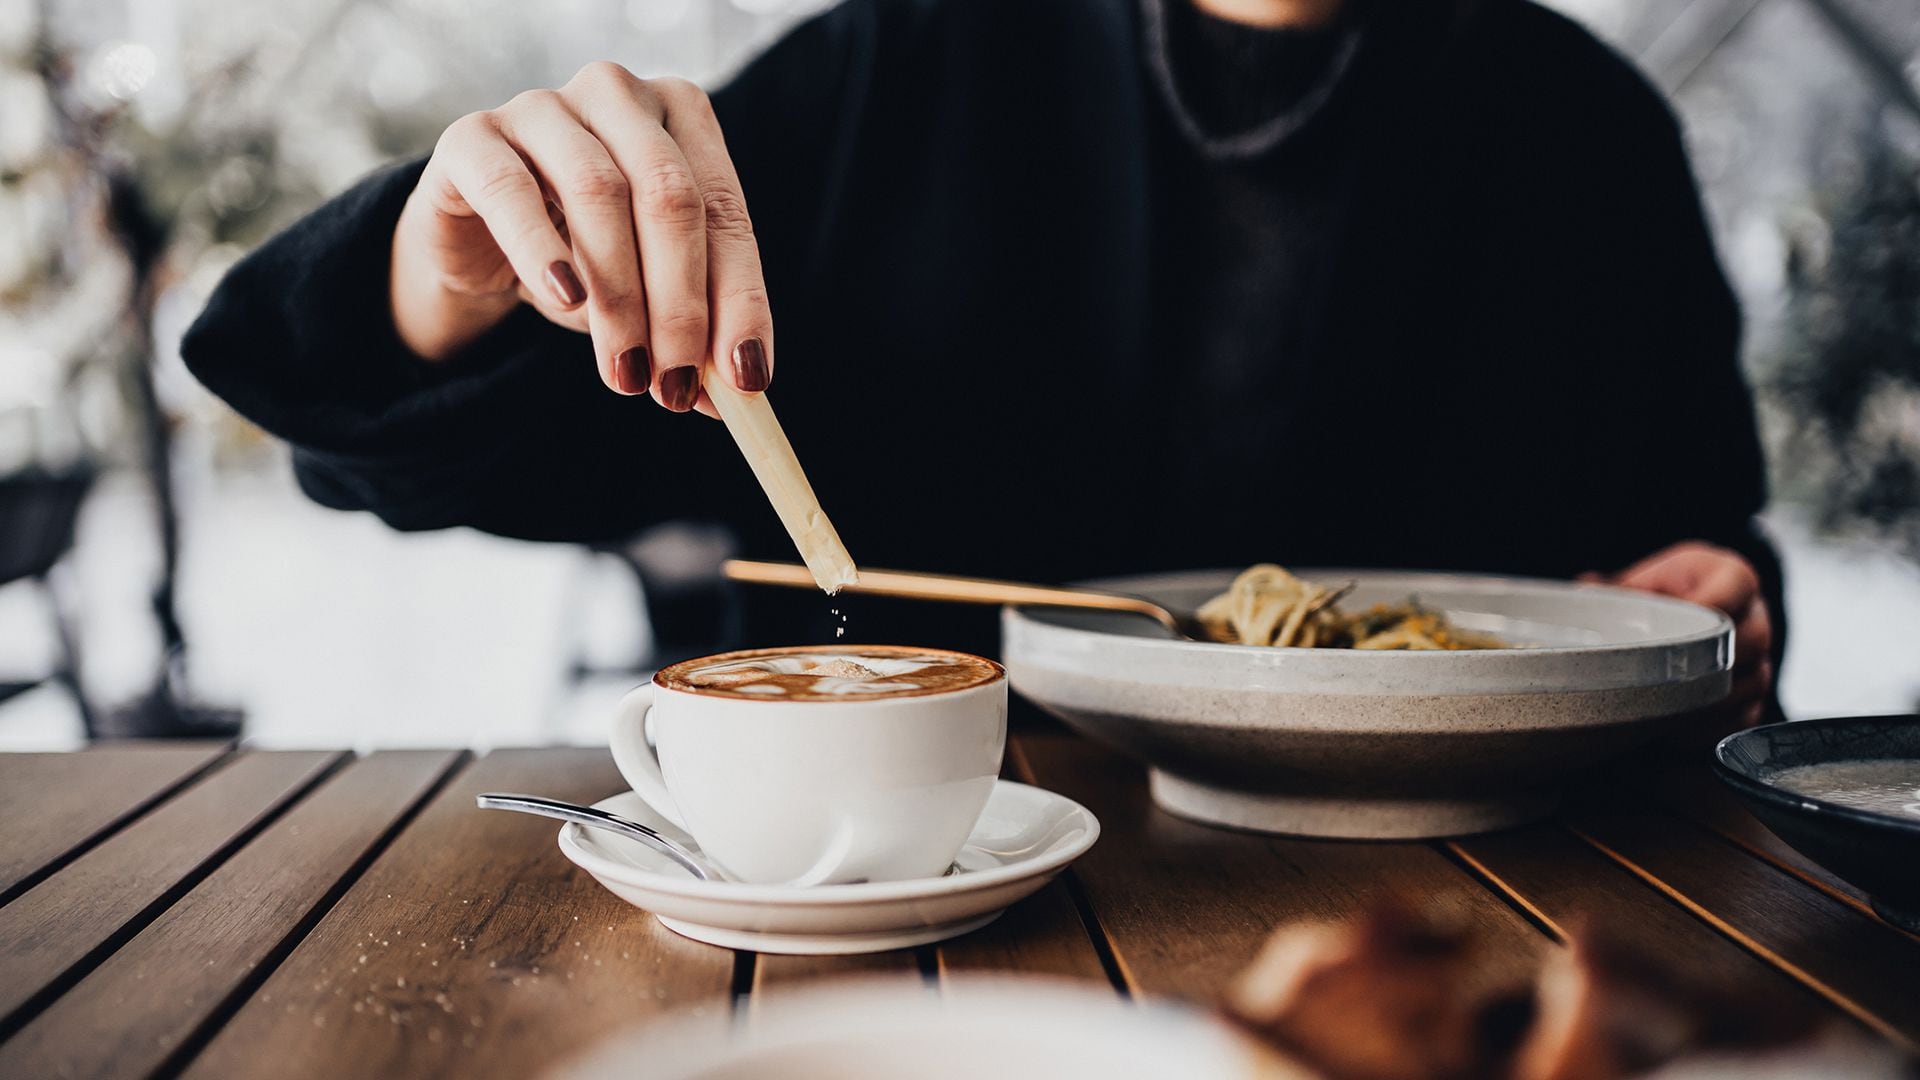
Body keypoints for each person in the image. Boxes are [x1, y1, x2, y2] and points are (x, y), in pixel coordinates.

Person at [183, 0, 1781, 728]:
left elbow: (1699, 531)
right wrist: (441, 274)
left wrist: (1715, 596)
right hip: (912, 904)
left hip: (1466, 912)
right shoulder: (895, 65)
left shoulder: (1589, 134)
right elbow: (457, 448)